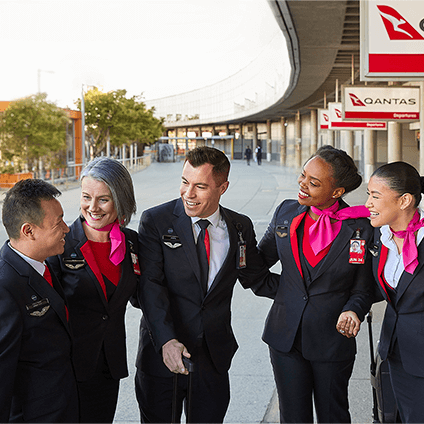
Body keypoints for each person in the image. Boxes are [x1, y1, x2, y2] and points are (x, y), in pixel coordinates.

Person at [135, 146, 274, 423]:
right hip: (162, 355)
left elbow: (256, 277)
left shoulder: (239, 226)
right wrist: (166, 341)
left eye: (200, 186)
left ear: (223, 187)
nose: (188, 193)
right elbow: (150, 286)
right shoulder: (156, 221)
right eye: (185, 182)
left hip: (213, 357)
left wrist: (316, 295)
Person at [258, 145, 374, 423]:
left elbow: (364, 286)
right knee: (293, 417)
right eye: (303, 176)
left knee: (333, 415)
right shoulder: (285, 213)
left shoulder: (362, 226)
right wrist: (285, 292)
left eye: (314, 182)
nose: (303, 185)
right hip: (285, 338)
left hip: (333, 339)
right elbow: (258, 263)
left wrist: (353, 309)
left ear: (337, 192)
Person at [47, 156, 140, 423]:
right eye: (86, 197)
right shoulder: (61, 243)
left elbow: (145, 295)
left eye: (103, 199)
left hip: (108, 366)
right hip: (67, 366)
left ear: (121, 200)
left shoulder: (132, 243)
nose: (93, 207)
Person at [0, 179, 78, 423]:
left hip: (61, 406)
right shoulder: (5, 286)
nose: (67, 228)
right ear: (29, 231)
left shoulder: (42, 265)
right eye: (58, 223)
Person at [363, 161, 424, 423]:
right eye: (368, 194)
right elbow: (383, 291)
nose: (368, 203)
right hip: (394, 352)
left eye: (375, 196)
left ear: (405, 200)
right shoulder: (381, 237)